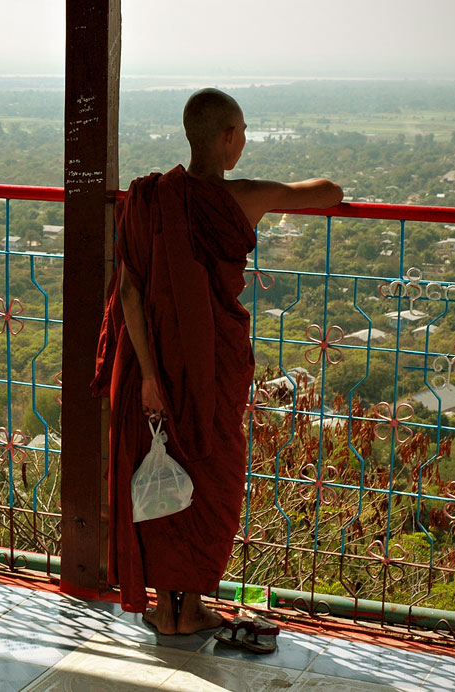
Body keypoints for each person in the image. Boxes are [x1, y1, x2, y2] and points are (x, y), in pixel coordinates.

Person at [91, 88, 342, 635]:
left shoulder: (148, 198)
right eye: (244, 131)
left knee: (158, 477)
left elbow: (129, 294)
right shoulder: (243, 197)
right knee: (212, 482)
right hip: (211, 371)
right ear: (228, 138)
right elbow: (328, 192)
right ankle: (190, 608)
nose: (245, 140)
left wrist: (151, 377)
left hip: (150, 369)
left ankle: (166, 609)